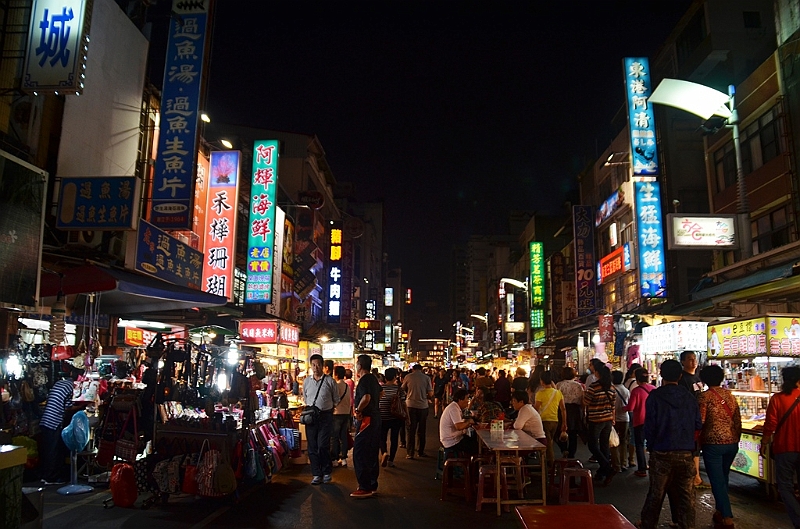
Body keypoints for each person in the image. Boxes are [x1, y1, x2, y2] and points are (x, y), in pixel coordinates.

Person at [639, 359, 702, 529]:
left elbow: (649, 426)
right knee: (687, 495)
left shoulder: (655, 396)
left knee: (656, 493)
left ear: (661, 374)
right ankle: (687, 525)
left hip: (661, 451)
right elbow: (698, 425)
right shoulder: (689, 398)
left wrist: (651, 446)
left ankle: (647, 524)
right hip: (685, 452)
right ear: (680, 375)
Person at [697, 365, 741, 529]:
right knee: (723, 477)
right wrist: (736, 438)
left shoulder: (704, 397)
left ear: (704, 379)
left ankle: (727, 516)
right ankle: (720, 510)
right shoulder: (729, 395)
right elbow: (737, 419)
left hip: (713, 445)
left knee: (716, 480)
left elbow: (700, 422)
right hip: (732, 443)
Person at [760, 366, 800, 529]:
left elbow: (770, 424)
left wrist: (764, 442)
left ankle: (798, 519)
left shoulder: (777, 398)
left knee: (785, 487)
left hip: (784, 448)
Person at [39, 368, 85, 485]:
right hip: (55, 421)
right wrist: (83, 406)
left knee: (48, 450)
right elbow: (68, 408)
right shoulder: (72, 388)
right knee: (54, 451)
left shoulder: (60, 383)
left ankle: (45, 475)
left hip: (46, 420)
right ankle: (51, 478)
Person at [303, 354, 340, 485]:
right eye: (313, 365)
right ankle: (316, 473)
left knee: (322, 445)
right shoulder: (307, 381)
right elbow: (305, 397)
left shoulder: (330, 381)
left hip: (325, 416)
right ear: (310, 366)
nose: (316, 367)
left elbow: (336, 399)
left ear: (323, 366)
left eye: (318, 364)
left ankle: (326, 471)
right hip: (311, 417)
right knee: (312, 446)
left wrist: (328, 409)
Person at [351, 354, 382, 498]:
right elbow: (380, 394)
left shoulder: (364, 380)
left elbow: (366, 397)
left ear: (360, 365)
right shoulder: (374, 379)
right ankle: (372, 484)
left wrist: (359, 409)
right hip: (375, 418)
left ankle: (364, 487)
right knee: (371, 452)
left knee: (360, 452)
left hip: (367, 420)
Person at [678, 350, 708, 488]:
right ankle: (693, 478)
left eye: (694, 359)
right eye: (689, 359)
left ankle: (696, 477)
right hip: (689, 419)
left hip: (698, 418)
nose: (693, 361)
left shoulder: (697, 378)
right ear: (683, 362)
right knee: (692, 449)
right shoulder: (683, 379)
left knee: (696, 449)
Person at [583, 364, 616, 485]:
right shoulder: (611, 388)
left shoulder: (594, 387)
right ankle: (602, 473)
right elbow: (613, 405)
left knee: (592, 445)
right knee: (604, 445)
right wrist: (613, 418)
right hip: (607, 419)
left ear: (598, 374)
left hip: (596, 420)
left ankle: (607, 468)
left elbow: (586, 401)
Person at [626, 368, 655, 477]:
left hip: (639, 421)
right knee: (652, 444)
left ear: (637, 379)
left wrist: (622, 408)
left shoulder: (636, 391)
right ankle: (653, 465)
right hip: (652, 421)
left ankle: (642, 468)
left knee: (639, 444)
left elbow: (631, 407)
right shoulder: (653, 389)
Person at [534, 371, 566, 467]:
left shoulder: (540, 393)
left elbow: (536, 409)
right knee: (550, 442)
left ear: (542, 381)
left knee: (548, 445)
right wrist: (564, 423)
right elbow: (563, 409)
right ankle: (548, 465)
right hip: (555, 421)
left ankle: (550, 466)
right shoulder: (558, 393)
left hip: (544, 421)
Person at [401, 363, 433, 459]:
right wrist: (425, 396)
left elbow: (402, 389)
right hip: (423, 406)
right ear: (421, 369)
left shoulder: (408, 377)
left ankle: (410, 453)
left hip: (410, 405)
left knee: (411, 429)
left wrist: (408, 393)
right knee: (421, 430)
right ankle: (420, 451)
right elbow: (431, 393)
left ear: (413, 369)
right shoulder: (426, 378)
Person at [440, 388, 478, 457]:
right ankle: (470, 465)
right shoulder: (453, 409)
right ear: (460, 400)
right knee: (476, 447)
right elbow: (459, 427)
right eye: (467, 399)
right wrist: (468, 422)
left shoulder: (455, 407)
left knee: (473, 441)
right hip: (452, 441)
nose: (468, 401)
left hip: (455, 438)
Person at [556, 366, 584, 458]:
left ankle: (564, 449)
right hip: (575, 410)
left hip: (561, 409)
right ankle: (571, 453)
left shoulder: (559, 385)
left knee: (561, 430)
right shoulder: (578, 385)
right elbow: (582, 399)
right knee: (573, 433)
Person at [378, 367, 403, 468]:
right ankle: (391, 460)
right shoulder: (398, 389)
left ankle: (384, 452)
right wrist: (407, 416)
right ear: (394, 377)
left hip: (382, 416)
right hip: (395, 417)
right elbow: (403, 403)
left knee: (382, 437)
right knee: (394, 438)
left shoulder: (380, 388)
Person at [330, 366, 351, 468]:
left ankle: (334, 459)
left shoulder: (336, 386)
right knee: (343, 437)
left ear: (336, 374)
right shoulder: (347, 386)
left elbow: (333, 400)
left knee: (334, 437)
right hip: (346, 414)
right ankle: (343, 459)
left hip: (336, 413)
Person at [611, 370, 631, 473]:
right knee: (623, 441)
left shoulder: (611, 390)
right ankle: (624, 463)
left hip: (613, 419)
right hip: (624, 418)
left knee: (613, 442)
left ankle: (616, 464)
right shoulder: (626, 390)